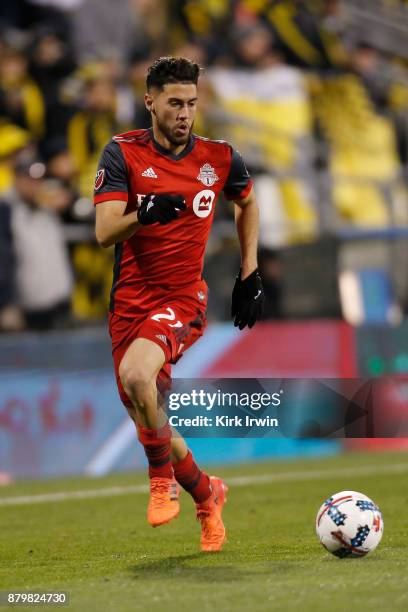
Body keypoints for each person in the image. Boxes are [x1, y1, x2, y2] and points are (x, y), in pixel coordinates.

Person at [94, 56, 264, 552]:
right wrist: (143, 212)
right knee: (150, 416)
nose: (185, 113)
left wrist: (249, 270)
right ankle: (208, 493)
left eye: (191, 102)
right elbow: (105, 232)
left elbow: (247, 201)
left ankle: (159, 481)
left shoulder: (219, 156)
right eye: (174, 103)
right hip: (128, 306)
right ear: (150, 101)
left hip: (182, 298)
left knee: (136, 377)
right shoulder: (122, 153)